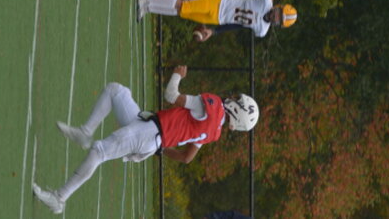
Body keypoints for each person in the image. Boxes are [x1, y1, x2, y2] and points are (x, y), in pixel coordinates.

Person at [32, 65, 259, 214]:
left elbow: (171, 95)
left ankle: (59, 198)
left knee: (99, 151)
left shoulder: (214, 106)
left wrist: (177, 75)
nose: (233, 98)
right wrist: (159, 149)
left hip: (150, 133)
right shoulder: (215, 132)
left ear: (237, 108)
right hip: (150, 130)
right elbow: (186, 157)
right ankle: (85, 132)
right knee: (115, 91)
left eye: (237, 100)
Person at [137, 0, 297, 39]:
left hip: (218, 19)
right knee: (183, 4)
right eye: (279, 13)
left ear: (279, 24)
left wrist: (214, 31)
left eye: (279, 19)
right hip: (219, 2)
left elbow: (237, 25)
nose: (276, 17)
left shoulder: (262, 30)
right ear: (278, 7)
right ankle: (145, 1)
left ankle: (148, 8)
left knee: (181, 12)